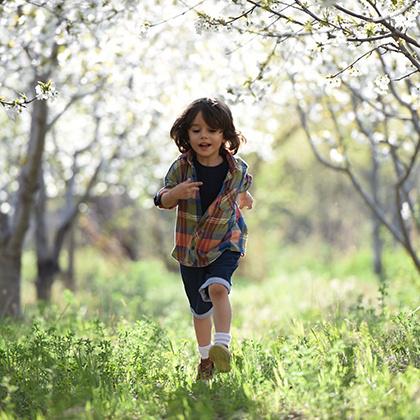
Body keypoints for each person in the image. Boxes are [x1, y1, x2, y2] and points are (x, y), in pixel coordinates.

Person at [153, 97, 254, 381]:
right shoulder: (182, 168)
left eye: (211, 130)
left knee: (218, 289)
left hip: (226, 240)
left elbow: (242, 188)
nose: (204, 136)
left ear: (225, 135)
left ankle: (222, 345)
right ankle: (205, 358)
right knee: (200, 310)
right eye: (196, 130)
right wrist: (175, 194)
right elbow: (161, 197)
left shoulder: (237, 168)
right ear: (186, 135)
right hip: (192, 249)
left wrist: (245, 198)